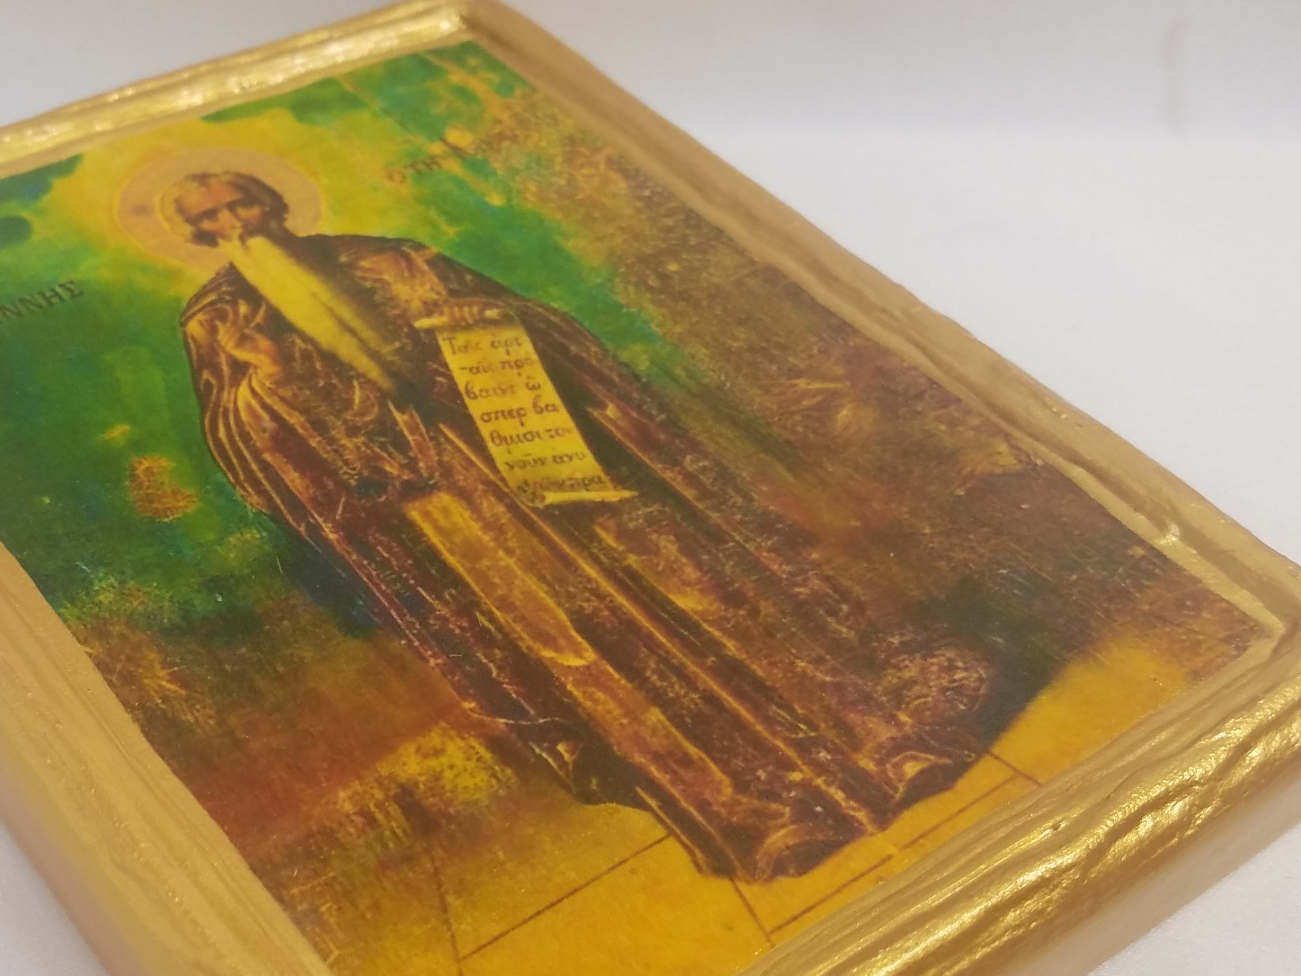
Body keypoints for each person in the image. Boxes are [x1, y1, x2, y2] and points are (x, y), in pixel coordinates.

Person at [171, 169, 994, 882]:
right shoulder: (220, 323)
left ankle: (881, 744)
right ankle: (757, 812)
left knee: (703, 590)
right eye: (211, 219)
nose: (235, 223)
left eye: (241, 203)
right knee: (592, 647)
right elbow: (250, 446)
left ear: (273, 200)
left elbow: (533, 328)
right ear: (199, 237)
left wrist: (479, 330)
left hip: (551, 451)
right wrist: (272, 379)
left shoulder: (386, 257)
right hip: (456, 515)